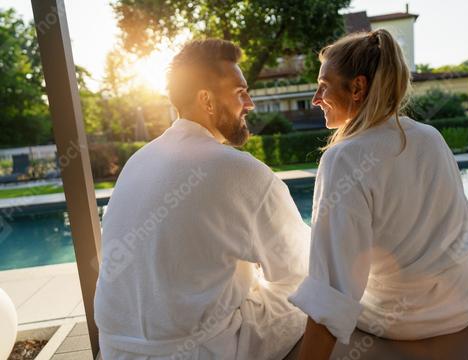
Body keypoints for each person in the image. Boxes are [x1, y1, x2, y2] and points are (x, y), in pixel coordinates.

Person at [94, 39, 310, 360]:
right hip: (194, 351)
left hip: (114, 348)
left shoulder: (138, 161)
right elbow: (299, 269)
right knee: (307, 291)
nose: (249, 103)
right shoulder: (241, 171)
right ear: (206, 100)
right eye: (240, 92)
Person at [288, 29, 468, 359]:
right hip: (459, 303)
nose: (315, 98)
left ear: (357, 87)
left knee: (296, 282)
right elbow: (459, 228)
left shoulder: (343, 158)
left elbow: (333, 287)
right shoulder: (430, 136)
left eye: (324, 85)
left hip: (402, 320)